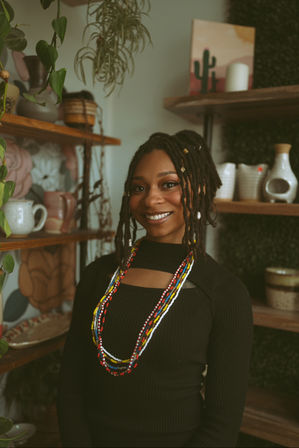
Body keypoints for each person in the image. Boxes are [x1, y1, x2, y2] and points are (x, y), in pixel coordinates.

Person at [57, 130, 253, 448]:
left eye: (168, 184)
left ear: (199, 188)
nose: (151, 199)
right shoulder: (98, 276)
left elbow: (222, 426)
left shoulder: (225, 294)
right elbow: (70, 386)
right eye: (139, 187)